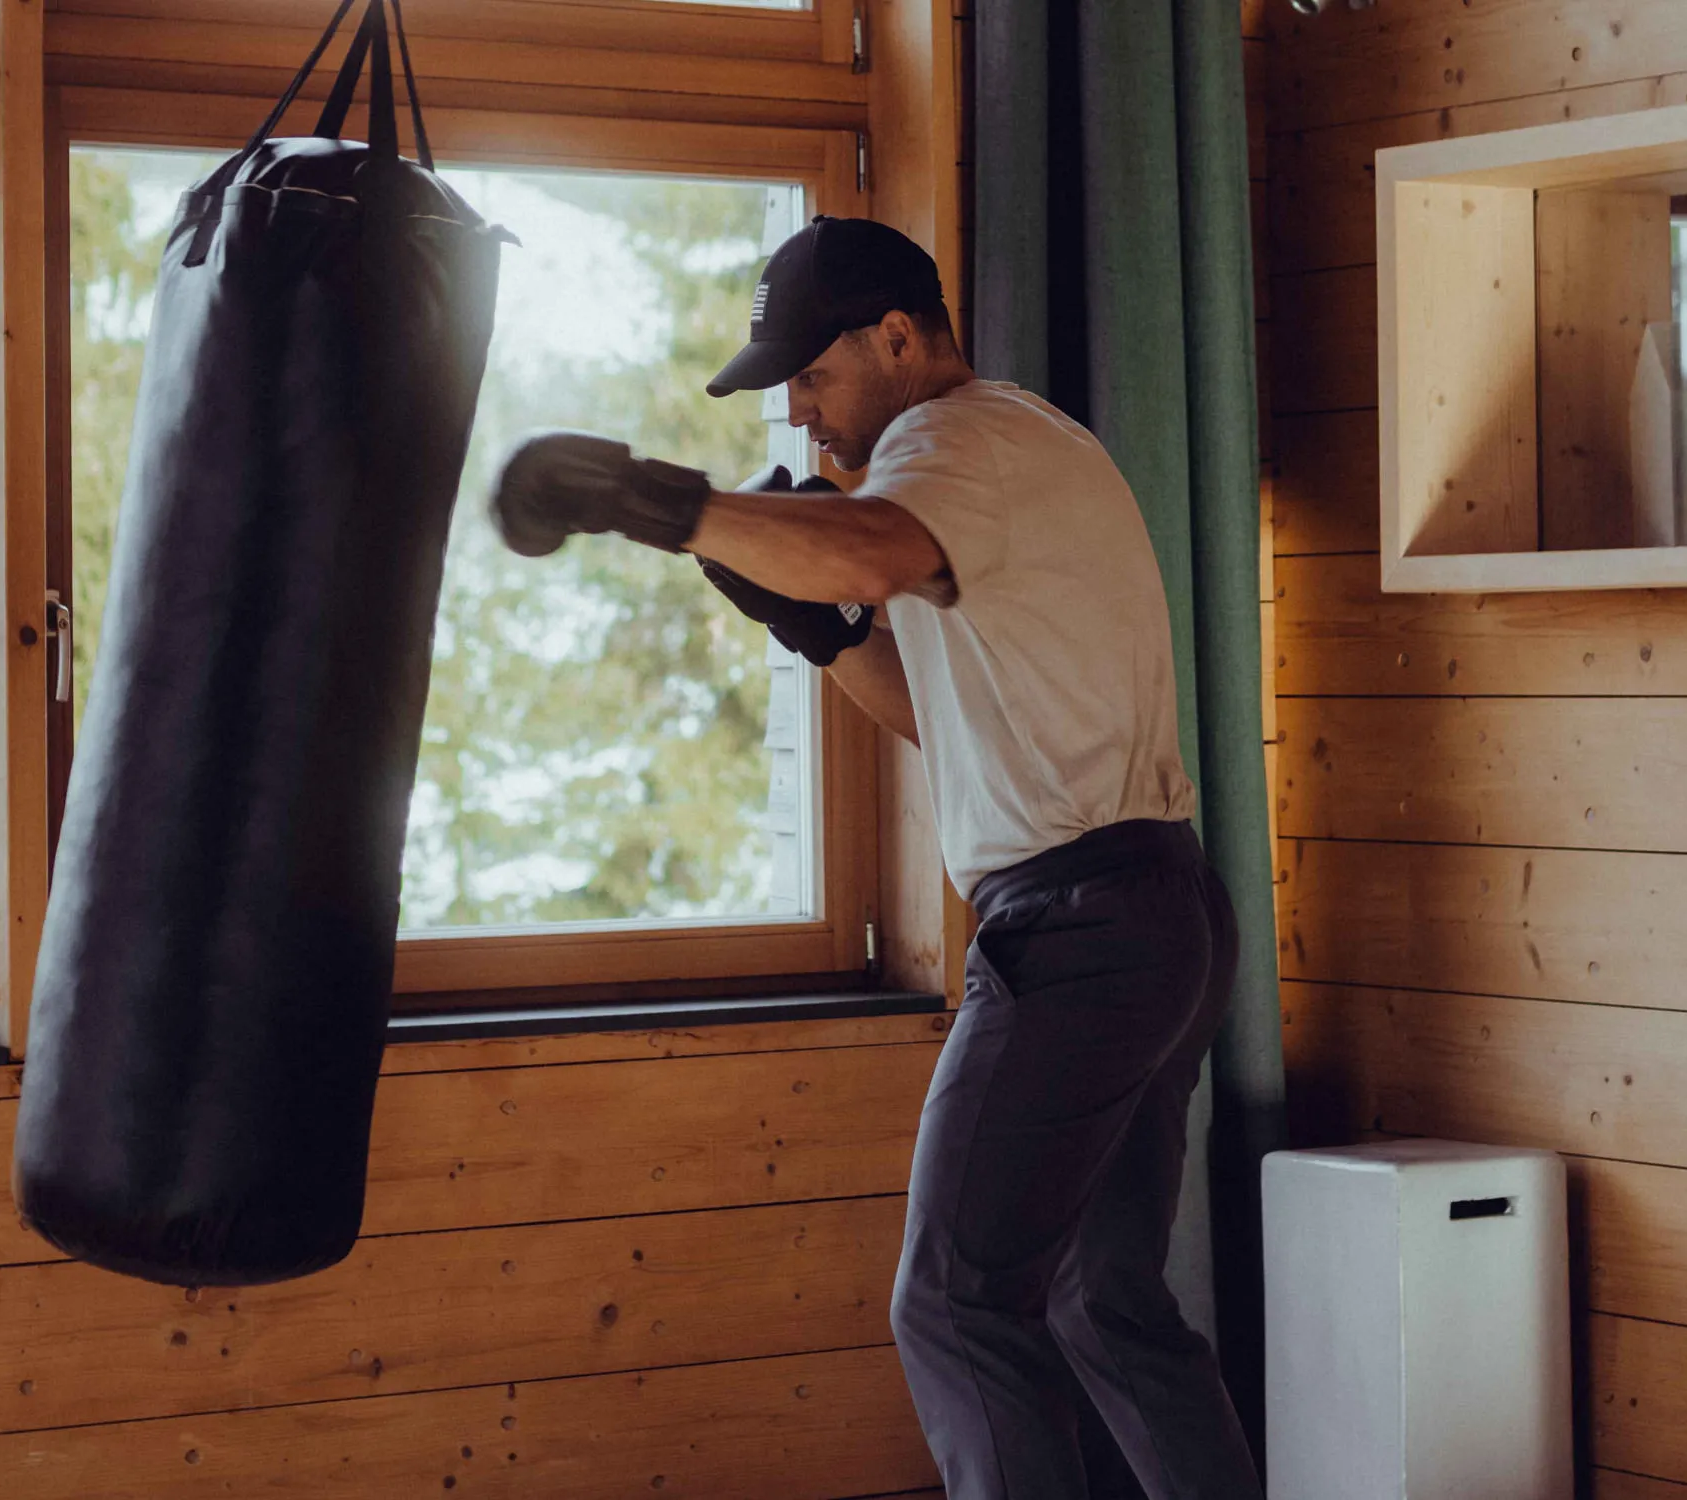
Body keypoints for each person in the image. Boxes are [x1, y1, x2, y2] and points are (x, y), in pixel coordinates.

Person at [489, 215, 1261, 1500]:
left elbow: (867, 547)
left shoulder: (950, 441)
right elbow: (926, 704)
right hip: (1160, 913)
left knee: (956, 1307)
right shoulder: (1024, 443)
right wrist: (809, 620)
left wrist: (658, 505)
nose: (798, 412)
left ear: (898, 337)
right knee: (1101, 1300)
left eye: (812, 373)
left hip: (1078, 935)